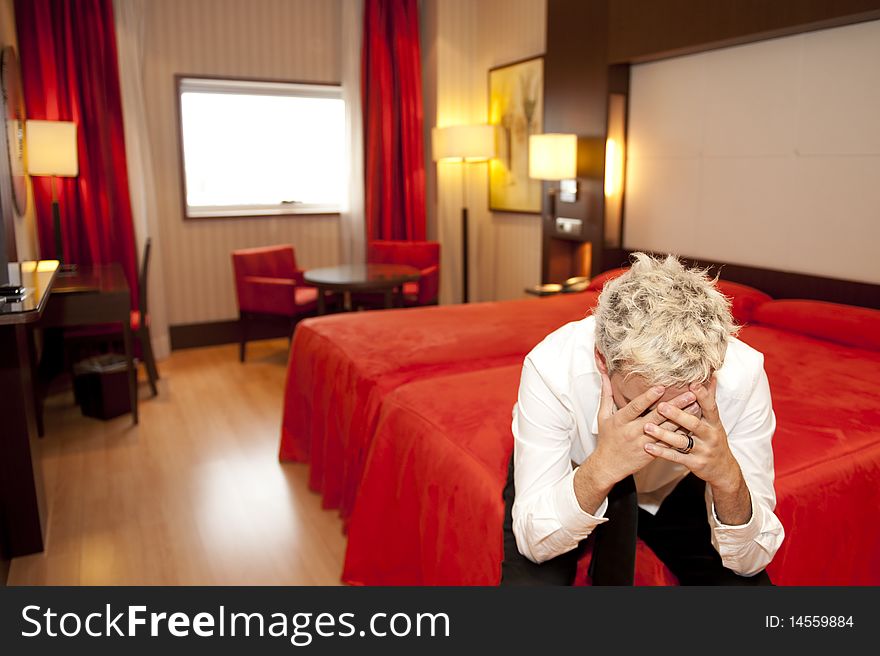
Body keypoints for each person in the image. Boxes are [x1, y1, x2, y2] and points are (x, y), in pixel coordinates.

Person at [501, 253, 784, 585]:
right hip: (578, 467)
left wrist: (727, 478)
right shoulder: (551, 367)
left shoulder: (742, 375)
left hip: (681, 486)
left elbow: (751, 560)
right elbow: (535, 544)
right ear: (602, 361)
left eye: (684, 407)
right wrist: (602, 468)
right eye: (642, 406)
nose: (660, 429)